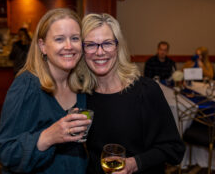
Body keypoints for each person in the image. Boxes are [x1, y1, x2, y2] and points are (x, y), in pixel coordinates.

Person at [77, 13, 185, 174]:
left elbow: (174, 149)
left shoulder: (145, 91)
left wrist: (135, 163)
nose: (99, 52)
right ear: (83, 50)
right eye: (91, 45)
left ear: (118, 46)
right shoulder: (81, 93)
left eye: (107, 43)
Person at [0, 8, 91, 174]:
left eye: (75, 38)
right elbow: (6, 152)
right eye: (59, 39)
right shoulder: (27, 86)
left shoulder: (81, 85)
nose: (69, 46)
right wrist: (48, 137)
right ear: (42, 46)